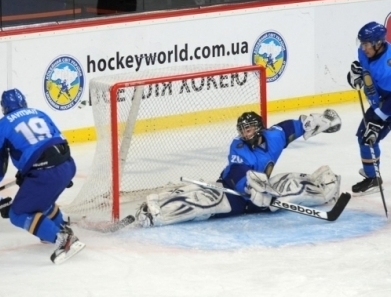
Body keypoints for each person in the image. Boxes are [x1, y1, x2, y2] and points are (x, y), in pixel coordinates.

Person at [135, 109, 342, 227]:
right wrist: (253, 189)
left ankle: (326, 184)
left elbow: (295, 126)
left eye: (248, 129)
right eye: (242, 130)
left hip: (262, 191)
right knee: (206, 203)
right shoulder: (238, 146)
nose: (244, 133)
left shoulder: (274, 136)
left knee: (291, 186)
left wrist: (319, 121)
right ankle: (156, 209)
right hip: (232, 192)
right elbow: (237, 175)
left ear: (259, 128)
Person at [0, 88, 84, 263]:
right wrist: (29, 171)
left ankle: (63, 240)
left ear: (4, 108)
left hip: (45, 174)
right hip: (67, 164)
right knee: (39, 201)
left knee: (18, 213)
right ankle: (60, 225)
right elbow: (58, 139)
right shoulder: (39, 113)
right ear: (24, 103)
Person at [347, 21, 391, 196]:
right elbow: (363, 73)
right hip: (380, 102)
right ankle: (372, 177)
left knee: (369, 133)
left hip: (388, 105)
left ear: (378, 43)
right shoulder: (363, 53)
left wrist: (378, 117)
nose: (363, 47)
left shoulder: (387, 66)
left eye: (366, 44)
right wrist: (353, 76)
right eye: (362, 43)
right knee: (365, 137)